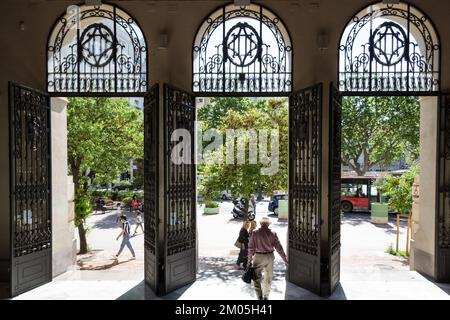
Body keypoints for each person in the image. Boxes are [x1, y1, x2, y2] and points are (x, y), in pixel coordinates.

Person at [247, 217, 288, 300]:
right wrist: (285, 259)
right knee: (268, 277)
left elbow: (251, 247)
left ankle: (259, 296)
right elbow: (279, 248)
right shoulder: (273, 233)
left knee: (256, 277)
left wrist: (249, 258)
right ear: (268, 224)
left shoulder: (255, 233)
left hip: (258, 257)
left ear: (261, 224)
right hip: (270, 257)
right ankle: (266, 296)